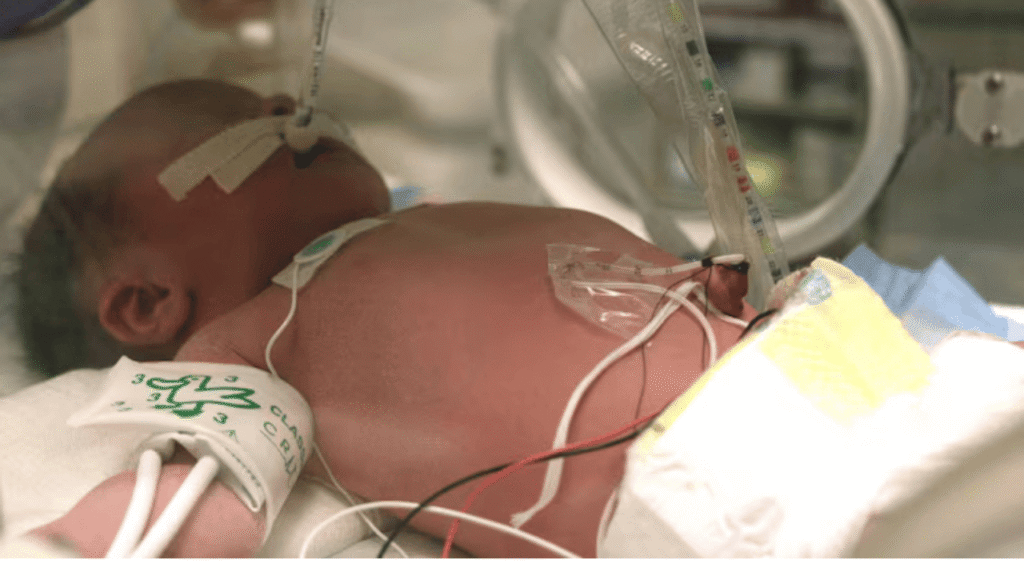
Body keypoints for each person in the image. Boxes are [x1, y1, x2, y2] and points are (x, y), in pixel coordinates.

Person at [16, 79, 757, 558]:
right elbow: (200, 492)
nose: (287, 106)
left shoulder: (419, 227)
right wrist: (60, 552)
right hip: (701, 497)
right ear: (148, 302)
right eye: (237, 119)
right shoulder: (241, 348)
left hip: (783, 357)